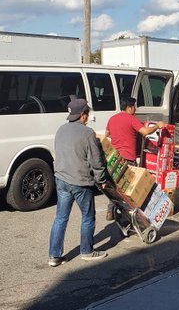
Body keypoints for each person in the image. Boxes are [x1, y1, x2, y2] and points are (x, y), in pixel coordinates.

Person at [48, 99, 110, 267]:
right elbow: (96, 161)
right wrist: (102, 180)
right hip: (80, 182)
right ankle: (87, 251)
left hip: (61, 179)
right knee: (88, 217)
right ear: (82, 115)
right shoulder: (87, 133)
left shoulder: (61, 130)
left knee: (61, 218)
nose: (88, 117)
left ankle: (54, 256)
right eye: (87, 114)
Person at [104, 96, 164, 220]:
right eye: (134, 107)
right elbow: (146, 132)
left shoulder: (112, 119)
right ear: (129, 108)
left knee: (116, 186)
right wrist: (158, 125)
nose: (135, 109)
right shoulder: (131, 119)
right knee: (130, 188)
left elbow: (107, 134)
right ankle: (133, 216)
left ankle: (110, 210)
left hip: (115, 158)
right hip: (128, 159)